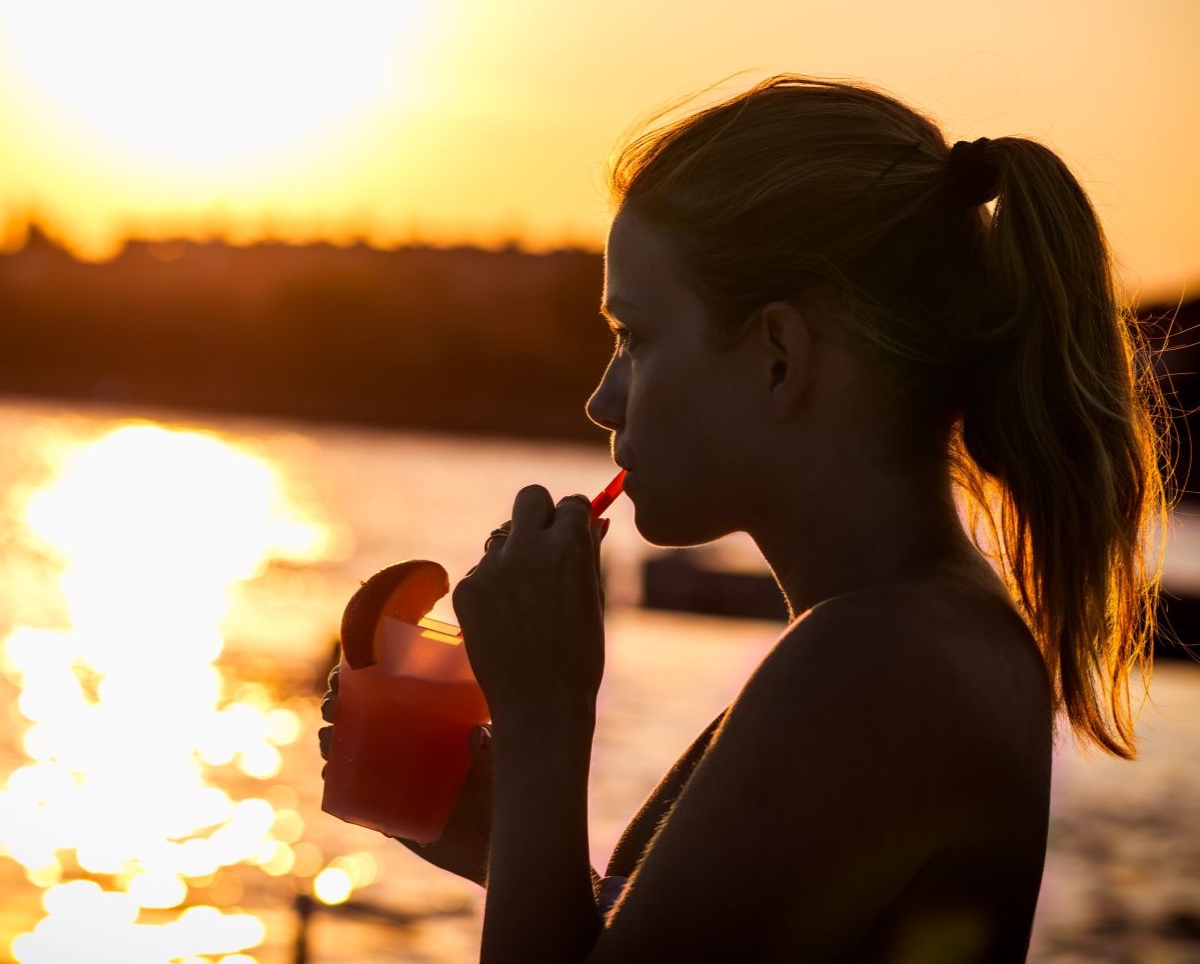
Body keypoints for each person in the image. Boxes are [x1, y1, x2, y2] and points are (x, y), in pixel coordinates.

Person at [319, 74, 1170, 962]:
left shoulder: (876, 666)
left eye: (634, 338)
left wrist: (544, 719)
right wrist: (513, 839)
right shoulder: (913, 633)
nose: (602, 401)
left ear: (777, 357)